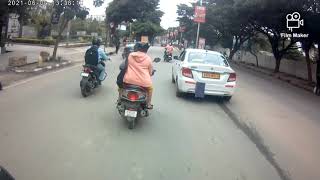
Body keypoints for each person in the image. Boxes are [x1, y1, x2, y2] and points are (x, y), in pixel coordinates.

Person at [122, 42, 154, 109]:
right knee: (150, 89)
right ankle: (148, 104)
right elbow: (150, 72)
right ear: (146, 50)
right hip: (144, 82)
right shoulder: (148, 58)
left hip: (129, 80)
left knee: (121, 87)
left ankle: (120, 100)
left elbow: (125, 65)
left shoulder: (130, 55)